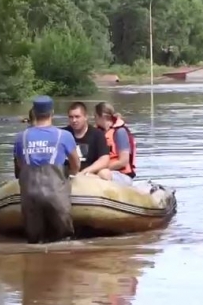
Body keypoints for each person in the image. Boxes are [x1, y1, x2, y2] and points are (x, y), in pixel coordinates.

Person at [13, 96, 81, 243]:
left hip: (30, 195)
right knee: (64, 241)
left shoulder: (20, 137)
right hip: (56, 195)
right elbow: (76, 164)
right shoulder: (64, 135)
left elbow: (21, 165)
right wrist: (69, 174)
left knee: (34, 242)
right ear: (52, 113)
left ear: (34, 113)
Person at [94, 102, 137, 185]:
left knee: (103, 173)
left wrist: (98, 169)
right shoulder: (99, 133)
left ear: (102, 116)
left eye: (95, 116)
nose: (94, 119)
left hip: (122, 175)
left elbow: (123, 161)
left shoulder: (120, 132)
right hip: (103, 171)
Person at [63, 101, 110, 176]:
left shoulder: (97, 134)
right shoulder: (63, 134)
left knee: (105, 173)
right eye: (71, 117)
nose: (74, 120)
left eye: (77, 117)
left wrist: (85, 171)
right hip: (67, 172)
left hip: (88, 173)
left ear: (85, 117)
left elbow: (104, 159)